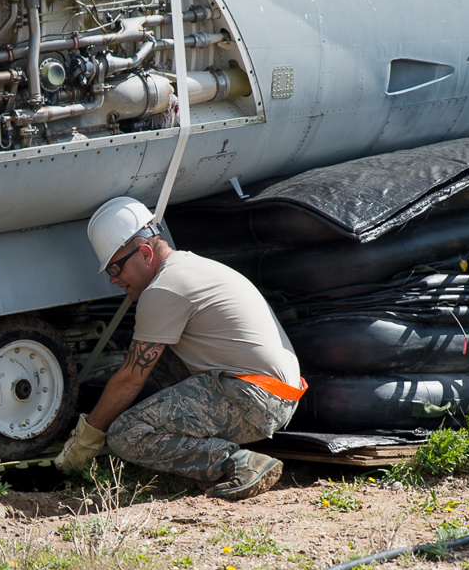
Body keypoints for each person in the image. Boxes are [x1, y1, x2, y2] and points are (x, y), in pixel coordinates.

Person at [54, 197, 304, 497]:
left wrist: (86, 440)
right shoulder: (187, 266)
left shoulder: (164, 288)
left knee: (126, 434)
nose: (114, 280)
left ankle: (240, 463)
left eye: (116, 268)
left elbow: (130, 379)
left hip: (256, 398)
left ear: (145, 252)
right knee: (153, 354)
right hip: (272, 393)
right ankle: (199, 451)